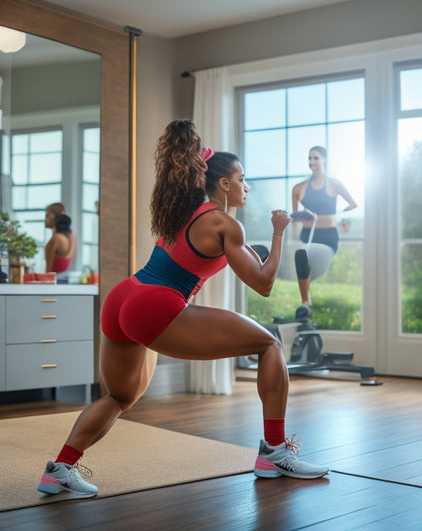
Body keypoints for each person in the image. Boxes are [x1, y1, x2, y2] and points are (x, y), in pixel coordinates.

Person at [37, 120, 328, 499]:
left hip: (123, 297)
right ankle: (274, 452)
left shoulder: (183, 210)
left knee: (119, 397)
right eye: (242, 179)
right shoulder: (224, 223)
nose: (246, 186)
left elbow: (207, 255)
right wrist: (278, 232)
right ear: (224, 183)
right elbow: (264, 283)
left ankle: (60, 468)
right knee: (270, 345)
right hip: (156, 305)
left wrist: (251, 249)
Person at [291, 146, 358, 320]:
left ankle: (308, 301)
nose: (312, 162)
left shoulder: (335, 184)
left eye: (316, 158)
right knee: (301, 256)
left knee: (310, 263)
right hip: (308, 236)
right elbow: (295, 219)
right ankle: (305, 303)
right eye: (310, 158)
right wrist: (301, 219)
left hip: (328, 237)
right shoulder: (298, 188)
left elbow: (353, 204)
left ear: (324, 160)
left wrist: (338, 215)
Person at [44, 203, 76, 273]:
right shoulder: (71, 235)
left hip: (54, 280)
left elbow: (48, 270)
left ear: (56, 216)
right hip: (64, 278)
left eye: (48, 215)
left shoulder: (56, 239)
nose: (45, 219)